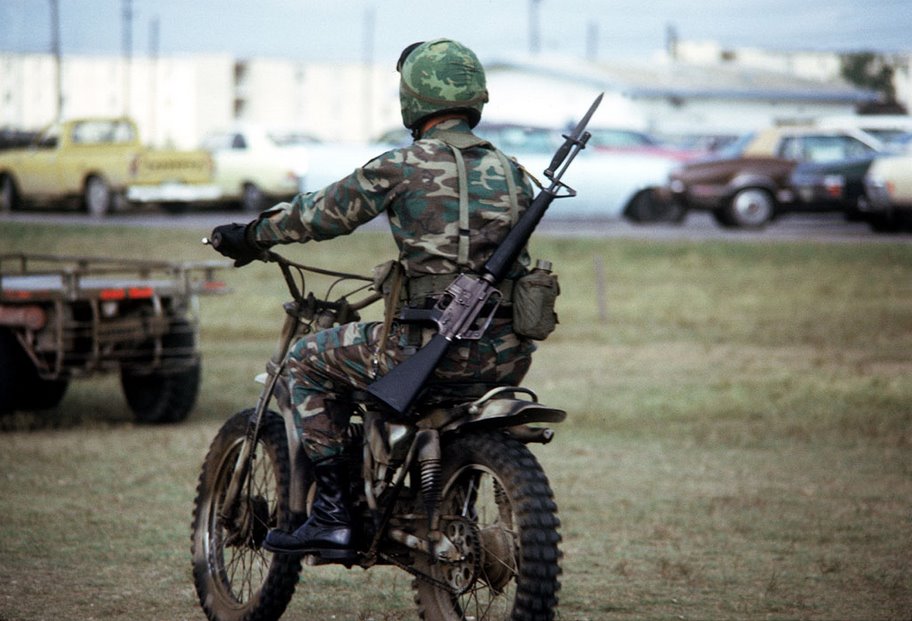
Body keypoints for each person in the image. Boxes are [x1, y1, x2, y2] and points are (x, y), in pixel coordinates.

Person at [210, 38, 537, 560]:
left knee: (306, 360)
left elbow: (320, 214)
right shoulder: (515, 173)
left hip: (425, 349)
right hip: (505, 356)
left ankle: (332, 515)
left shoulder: (402, 165)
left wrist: (251, 235)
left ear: (415, 97)